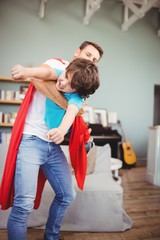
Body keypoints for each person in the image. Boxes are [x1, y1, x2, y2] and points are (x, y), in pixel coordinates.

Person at [0, 41, 104, 240]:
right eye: (88, 54)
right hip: (31, 139)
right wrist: (26, 70)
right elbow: (48, 73)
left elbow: (72, 111)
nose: (90, 60)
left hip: (52, 145)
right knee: (23, 204)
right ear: (77, 52)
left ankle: (52, 237)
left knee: (67, 195)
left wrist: (64, 130)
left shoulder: (81, 87)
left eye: (94, 60)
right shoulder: (60, 66)